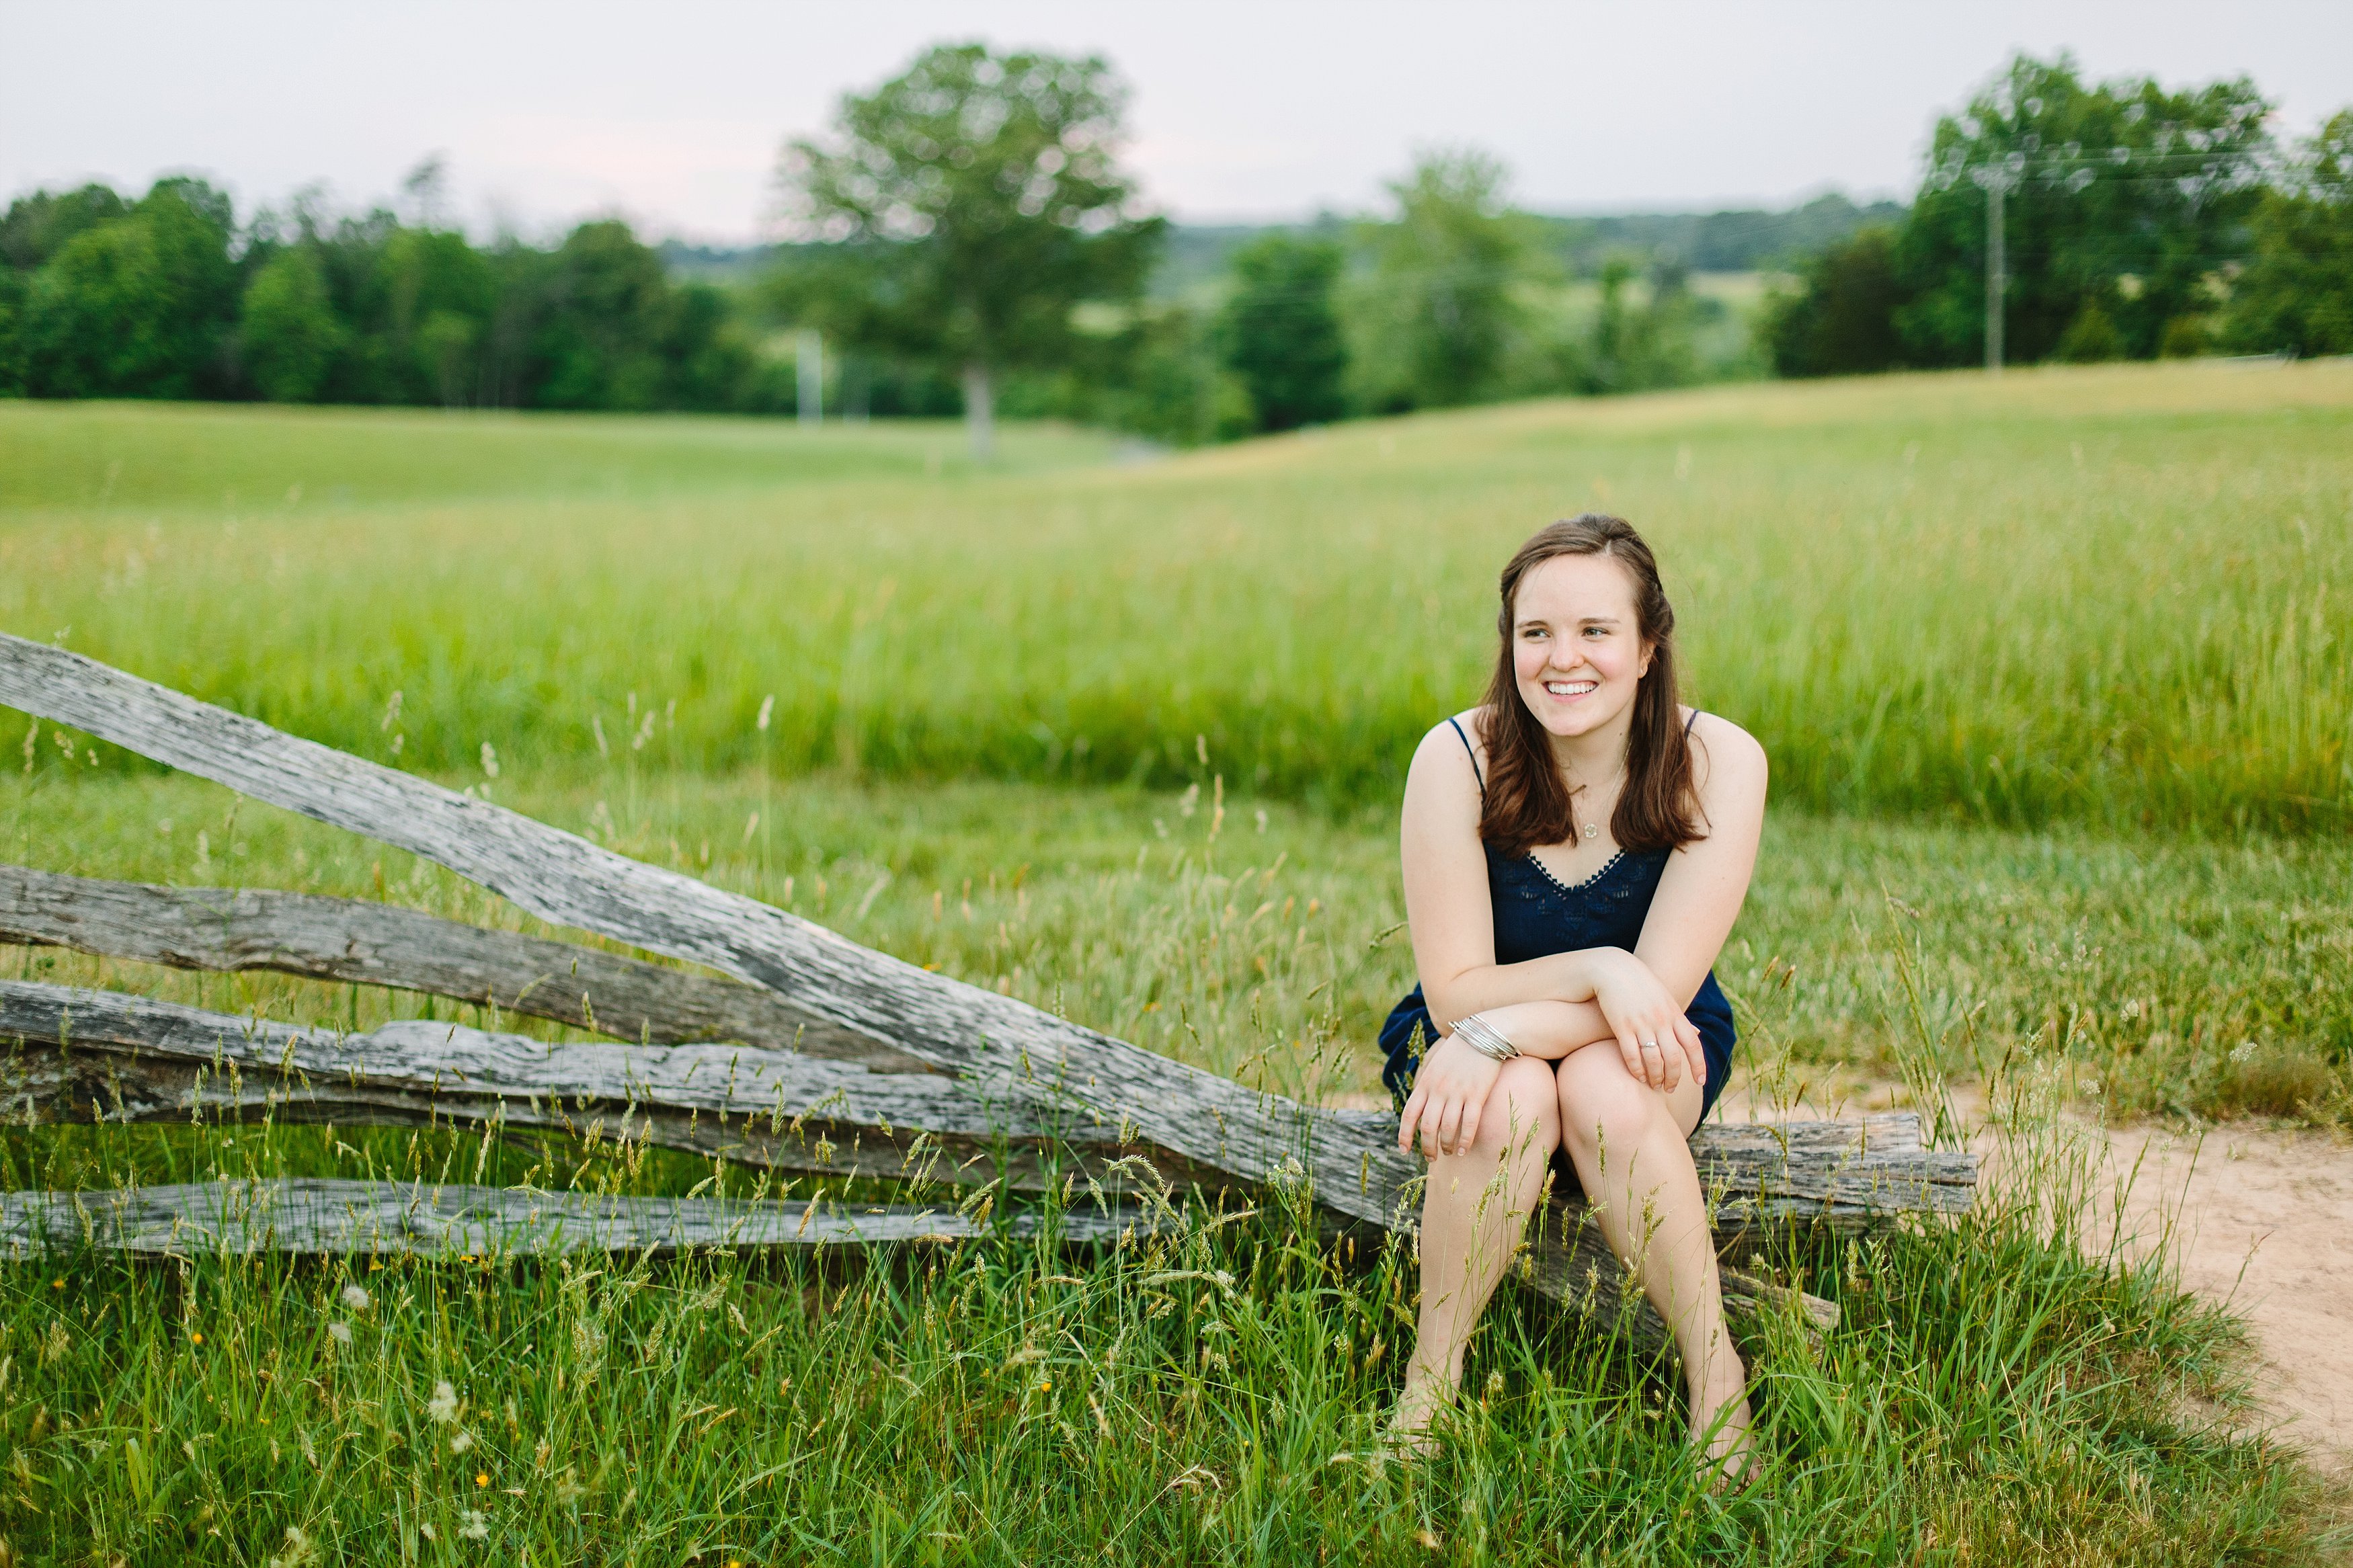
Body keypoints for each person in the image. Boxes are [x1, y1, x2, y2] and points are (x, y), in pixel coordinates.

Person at [1378, 513, 1767, 1482]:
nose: (1563, 659)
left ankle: (1718, 1385)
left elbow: (1659, 997)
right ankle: (1429, 1390)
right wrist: (1593, 970)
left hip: (1644, 1041)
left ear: (1647, 647)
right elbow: (1453, 987)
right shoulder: (1457, 758)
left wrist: (1500, 1025)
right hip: (1475, 1037)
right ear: (1509, 644)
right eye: (1535, 633)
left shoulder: (1717, 759)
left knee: (1601, 1086)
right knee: (1511, 1097)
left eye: (1596, 631)